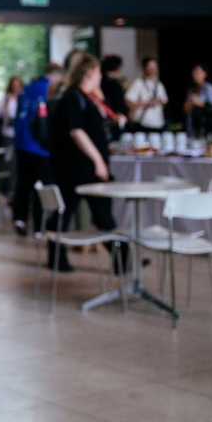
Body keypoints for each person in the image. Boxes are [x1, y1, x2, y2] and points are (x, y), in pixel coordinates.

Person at [47, 53, 128, 272]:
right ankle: (123, 261)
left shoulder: (88, 98)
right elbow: (76, 131)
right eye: (99, 72)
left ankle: (122, 260)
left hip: (85, 166)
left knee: (92, 211)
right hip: (78, 167)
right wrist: (98, 160)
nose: (101, 76)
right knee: (80, 210)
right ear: (90, 73)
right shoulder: (73, 98)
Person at [12, 62, 63, 235]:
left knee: (23, 183)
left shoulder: (27, 89)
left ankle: (19, 217)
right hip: (40, 146)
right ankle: (39, 225)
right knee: (41, 185)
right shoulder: (51, 90)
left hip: (21, 143)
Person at [0, 75, 23, 198]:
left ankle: (12, 188)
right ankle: (1, 189)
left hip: (18, 134)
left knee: (15, 164)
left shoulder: (22, 99)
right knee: (4, 162)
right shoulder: (6, 98)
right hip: (7, 134)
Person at [125, 56, 168, 131]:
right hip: (142, 123)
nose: (152, 70)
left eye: (154, 68)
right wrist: (146, 103)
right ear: (145, 68)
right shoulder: (138, 83)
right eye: (150, 67)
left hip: (158, 123)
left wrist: (158, 102)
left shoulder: (159, 85)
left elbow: (164, 102)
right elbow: (129, 103)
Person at [184, 63, 212, 135]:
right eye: (194, 72)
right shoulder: (191, 89)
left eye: (198, 72)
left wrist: (200, 103)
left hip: (206, 127)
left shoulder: (209, 88)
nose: (195, 74)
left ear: (205, 74)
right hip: (193, 126)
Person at [99, 54, 129, 121]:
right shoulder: (115, 85)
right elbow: (119, 104)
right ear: (117, 69)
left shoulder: (99, 82)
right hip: (114, 117)